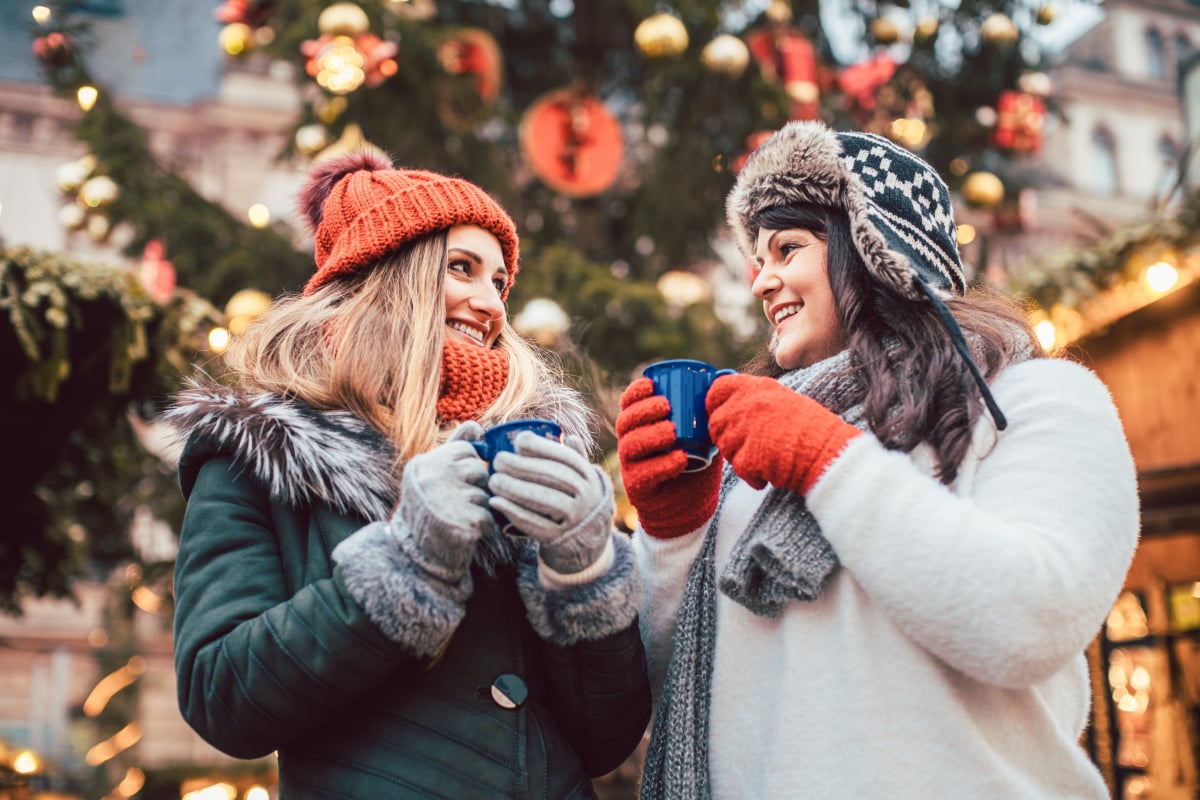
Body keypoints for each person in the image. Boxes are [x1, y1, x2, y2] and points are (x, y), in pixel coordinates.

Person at [616, 120, 1139, 799]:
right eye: (759, 260)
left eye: (787, 249)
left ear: (874, 250)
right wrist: (674, 533)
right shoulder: (758, 462)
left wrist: (828, 460)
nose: (762, 282)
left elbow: (1029, 619)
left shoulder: (1035, 401)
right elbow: (688, 688)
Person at [166, 152, 651, 799]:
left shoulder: (536, 455)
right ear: (388, 275)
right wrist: (403, 565)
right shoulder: (262, 455)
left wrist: (583, 569)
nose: (490, 304)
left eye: (499, 281)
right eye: (462, 268)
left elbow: (603, 740)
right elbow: (221, 697)